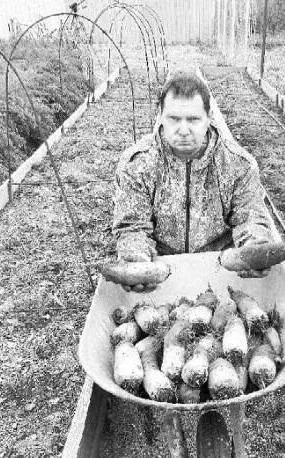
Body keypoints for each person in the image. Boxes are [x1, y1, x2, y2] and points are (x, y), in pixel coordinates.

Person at [112, 71, 275, 292]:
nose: (184, 130)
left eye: (193, 119)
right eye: (174, 119)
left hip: (219, 271)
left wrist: (255, 245)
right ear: (160, 115)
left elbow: (250, 217)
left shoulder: (238, 164)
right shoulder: (137, 165)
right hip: (161, 270)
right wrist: (137, 258)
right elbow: (132, 226)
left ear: (209, 117)